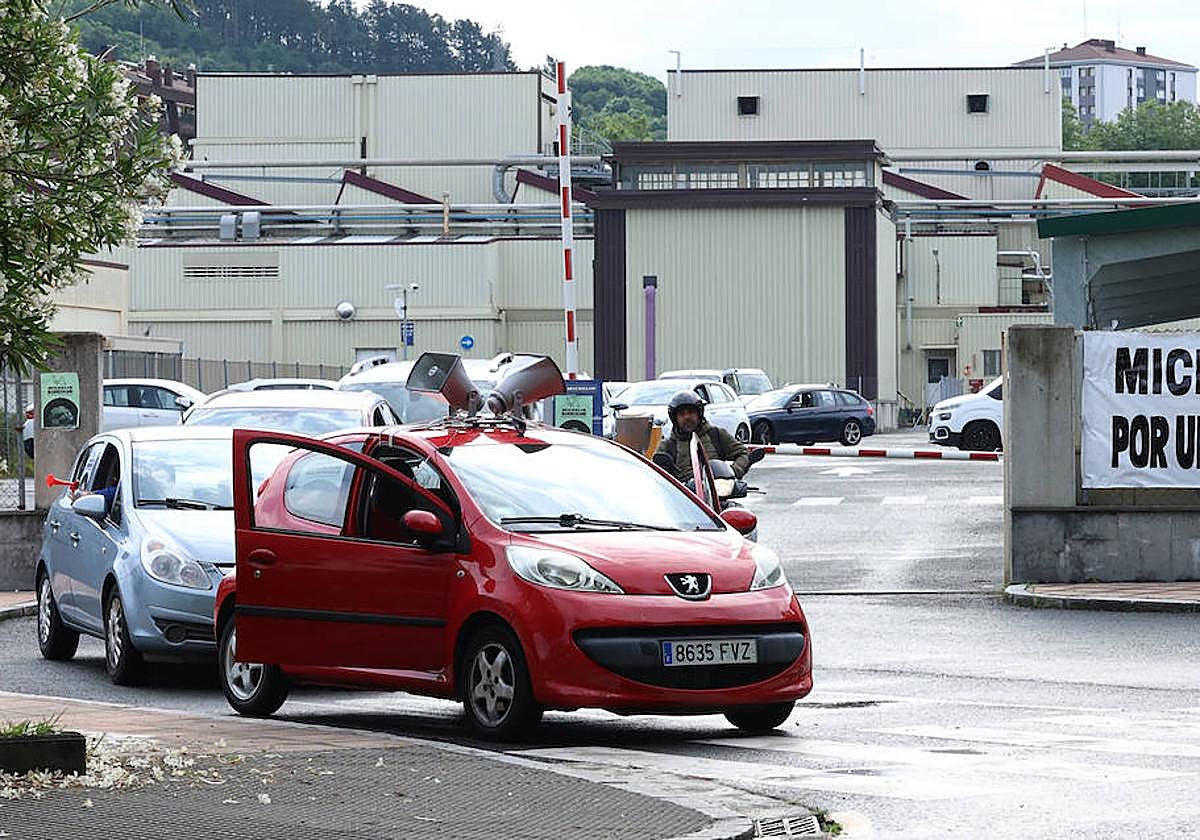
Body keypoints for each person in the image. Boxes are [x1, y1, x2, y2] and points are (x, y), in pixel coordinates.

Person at [652, 390, 749, 484]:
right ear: (674, 418)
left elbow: (742, 453)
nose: (687, 417)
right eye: (682, 414)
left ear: (699, 413)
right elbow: (656, 472)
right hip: (684, 495)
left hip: (716, 492)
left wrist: (732, 472)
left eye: (691, 412)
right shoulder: (668, 445)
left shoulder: (716, 434)